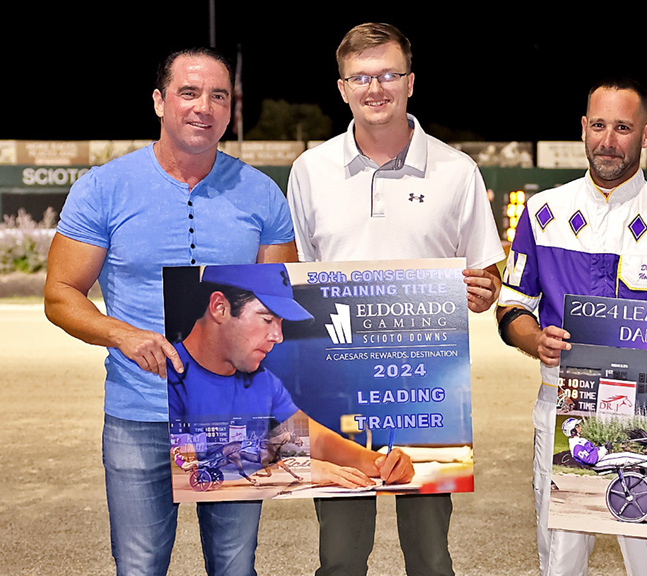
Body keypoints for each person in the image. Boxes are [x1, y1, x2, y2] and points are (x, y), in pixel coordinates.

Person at [44, 47, 297, 576]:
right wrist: (123, 335)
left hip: (234, 417)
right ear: (160, 101)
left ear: (232, 109)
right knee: (139, 567)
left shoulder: (263, 194)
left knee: (234, 566)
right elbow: (61, 293)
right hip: (138, 414)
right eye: (188, 92)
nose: (203, 106)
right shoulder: (103, 187)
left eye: (218, 95)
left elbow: (281, 307)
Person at [286, 23, 505, 576]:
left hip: (425, 385)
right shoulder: (309, 171)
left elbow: (486, 272)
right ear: (342, 88)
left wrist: (484, 290)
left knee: (430, 557)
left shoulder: (458, 172)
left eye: (387, 74)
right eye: (360, 77)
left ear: (410, 82)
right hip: (336, 382)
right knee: (339, 557)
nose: (374, 88)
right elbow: (298, 279)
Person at [495, 77, 647, 576]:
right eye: (598, 125)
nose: (608, 140)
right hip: (562, 405)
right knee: (561, 561)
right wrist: (537, 340)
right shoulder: (542, 212)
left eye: (622, 127)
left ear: (646, 134)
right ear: (583, 128)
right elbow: (511, 309)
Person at [168, 264, 413, 489]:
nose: (278, 336)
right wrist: (294, 470)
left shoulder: (264, 382)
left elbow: (317, 443)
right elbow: (184, 473)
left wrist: (381, 463)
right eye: (267, 319)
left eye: (280, 322)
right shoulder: (163, 376)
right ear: (220, 308)